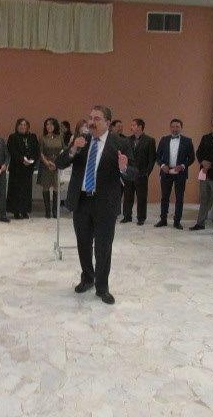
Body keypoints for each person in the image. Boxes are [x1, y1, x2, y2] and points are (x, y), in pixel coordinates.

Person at [56, 105, 137, 305]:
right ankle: (87, 278)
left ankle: (102, 286)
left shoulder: (120, 143)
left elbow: (134, 173)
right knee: (83, 244)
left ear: (108, 123)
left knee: (103, 247)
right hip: (82, 201)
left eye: (97, 118)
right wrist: (73, 149)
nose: (91, 122)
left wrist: (124, 168)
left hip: (105, 204)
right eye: (90, 118)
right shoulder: (81, 140)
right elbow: (59, 163)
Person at [154, 119, 195, 230]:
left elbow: (192, 158)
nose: (175, 129)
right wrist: (163, 165)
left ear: (181, 128)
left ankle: (177, 221)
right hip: (166, 172)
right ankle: (163, 220)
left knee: (179, 198)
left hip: (180, 173)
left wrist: (182, 166)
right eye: (173, 126)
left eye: (177, 126)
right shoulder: (164, 140)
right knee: (164, 197)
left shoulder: (187, 141)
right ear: (170, 127)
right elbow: (157, 156)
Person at [120, 118, 156, 225]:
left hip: (142, 174)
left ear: (140, 127)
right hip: (129, 173)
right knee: (127, 196)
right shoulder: (127, 140)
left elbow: (152, 159)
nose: (131, 127)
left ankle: (141, 218)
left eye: (133, 125)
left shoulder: (150, 140)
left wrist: (147, 173)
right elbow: (124, 156)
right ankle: (127, 216)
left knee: (141, 197)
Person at [6, 118, 39, 219]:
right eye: (20, 125)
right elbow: (12, 151)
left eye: (25, 125)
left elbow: (36, 150)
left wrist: (31, 160)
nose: (23, 126)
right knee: (16, 190)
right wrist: (22, 160)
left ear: (28, 127)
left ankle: (25, 211)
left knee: (26, 191)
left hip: (28, 169)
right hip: (16, 168)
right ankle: (16, 211)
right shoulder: (12, 137)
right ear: (17, 126)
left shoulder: (32, 137)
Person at [38, 118, 65, 218]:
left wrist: (57, 163)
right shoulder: (42, 138)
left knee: (56, 187)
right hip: (46, 165)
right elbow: (40, 152)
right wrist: (46, 162)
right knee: (46, 187)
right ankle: (47, 211)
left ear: (55, 126)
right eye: (47, 124)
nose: (49, 126)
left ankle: (55, 211)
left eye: (51, 124)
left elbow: (63, 150)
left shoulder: (60, 137)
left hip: (57, 165)